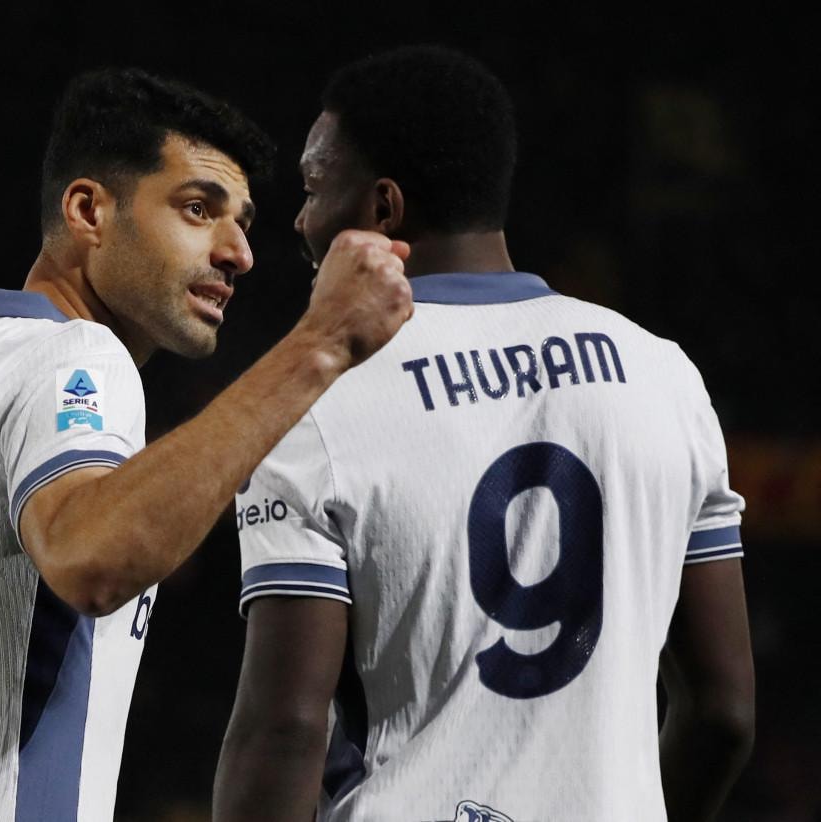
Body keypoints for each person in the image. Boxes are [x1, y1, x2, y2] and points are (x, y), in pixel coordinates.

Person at [0, 67, 414, 822]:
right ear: (89, 211)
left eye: (243, 223)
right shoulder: (76, 358)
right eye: (197, 209)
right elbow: (94, 559)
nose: (238, 252)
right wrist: (319, 344)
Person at [213, 45, 755, 822]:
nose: (299, 220)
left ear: (384, 210)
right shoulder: (665, 377)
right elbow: (725, 711)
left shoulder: (313, 401)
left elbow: (284, 731)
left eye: (312, 189)